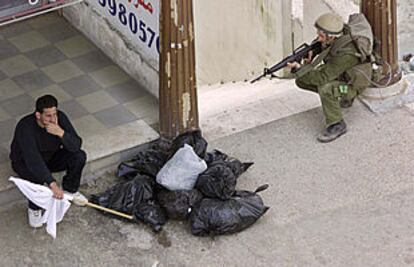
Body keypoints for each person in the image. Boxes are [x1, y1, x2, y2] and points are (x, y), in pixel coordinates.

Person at [287, 13, 372, 143]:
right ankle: (341, 99)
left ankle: (337, 124)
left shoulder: (347, 53)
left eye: (321, 36)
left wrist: (300, 68)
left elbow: (323, 77)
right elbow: (324, 46)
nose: (319, 39)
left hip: (351, 86)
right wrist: (312, 52)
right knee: (301, 80)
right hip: (341, 75)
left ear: (331, 37)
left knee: (326, 88)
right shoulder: (338, 34)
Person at [10, 94, 87, 228]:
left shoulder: (59, 118)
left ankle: (70, 190)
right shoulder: (25, 127)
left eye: (54, 114)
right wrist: (52, 183)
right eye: (48, 116)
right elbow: (33, 160)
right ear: (38, 115)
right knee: (36, 175)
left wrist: (61, 133)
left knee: (79, 156)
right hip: (25, 162)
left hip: (50, 157)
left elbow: (76, 145)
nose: (53, 119)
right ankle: (34, 208)